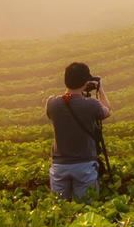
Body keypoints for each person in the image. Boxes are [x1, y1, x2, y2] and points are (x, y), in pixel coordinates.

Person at [46, 61, 110, 200]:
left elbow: (66, 99)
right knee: (84, 209)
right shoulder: (91, 105)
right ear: (85, 81)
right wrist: (100, 89)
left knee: (60, 210)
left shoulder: (52, 103)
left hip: (59, 166)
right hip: (84, 166)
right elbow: (106, 111)